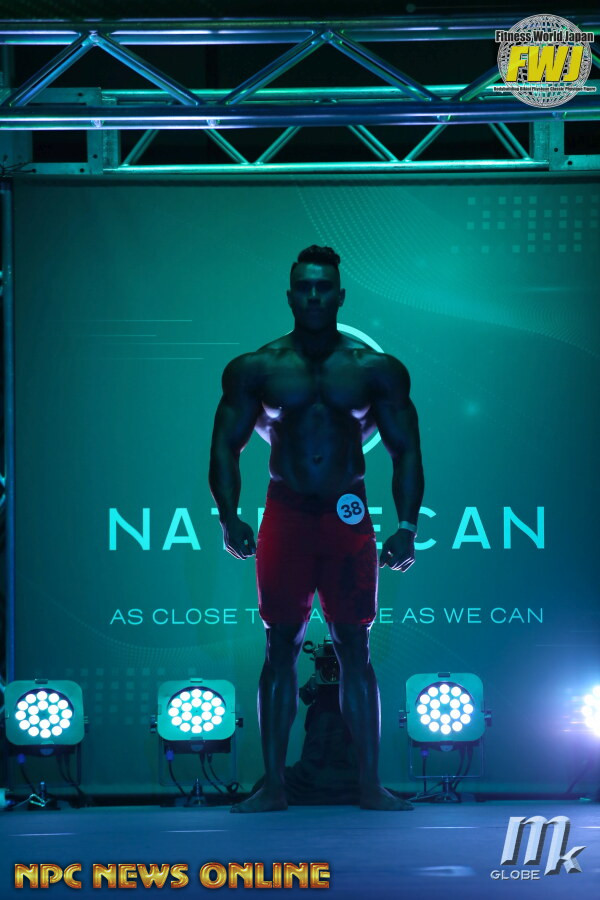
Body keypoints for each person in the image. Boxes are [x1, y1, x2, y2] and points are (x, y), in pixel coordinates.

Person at [209, 245, 424, 812]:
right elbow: (225, 446)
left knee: (356, 647)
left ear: (340, 295)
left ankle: (370, 784)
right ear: (290, 295)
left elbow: (406, 450)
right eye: (304, 286)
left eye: (323, 286)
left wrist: (406, 524)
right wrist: (229, 515)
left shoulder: (375, 370)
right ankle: (274, 787)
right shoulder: (258, 368)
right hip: (287, 515)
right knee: (279, 645)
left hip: (347, 517)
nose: (313, 295)